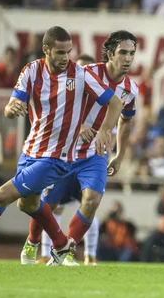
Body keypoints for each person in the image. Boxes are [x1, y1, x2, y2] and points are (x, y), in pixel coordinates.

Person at [0, 26, 122, 265]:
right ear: (46, 50)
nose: (65, 58)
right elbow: (11, 106)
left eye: (68, 52)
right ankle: (62, 245)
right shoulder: (31, 70)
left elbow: (115, 103)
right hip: (30, 152)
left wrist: (105, 130)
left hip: (56, 159)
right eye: (60, 53)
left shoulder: (80, 75)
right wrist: (11, 109)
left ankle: (62, 246)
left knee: (0, 197)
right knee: (28, 203)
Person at [21, 30, 139, 266]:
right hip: (64, 150)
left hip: (94, 154)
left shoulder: (131, 89)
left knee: (92, 201)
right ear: (109, 54)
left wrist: (120, 155)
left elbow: (125, 120)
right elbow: (61, 101)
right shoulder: (86, 73)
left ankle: (63, 252)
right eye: (123, 52)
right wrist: (81, 125)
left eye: (132, 53)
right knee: (48, 203)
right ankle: (32, 241)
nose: (128, 58)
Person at [36, 53, 97, 265]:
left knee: (90, 204)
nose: (82, 74)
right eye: (79, 69)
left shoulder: (98, 97)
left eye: (87, 69)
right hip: (62, 157)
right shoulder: (64, 93)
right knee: (50, 206)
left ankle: (89, 256)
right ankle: (45, 252)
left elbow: (114, 121)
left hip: (88, 160)